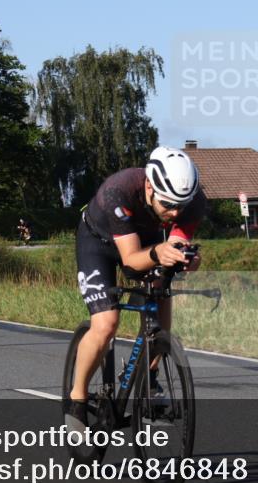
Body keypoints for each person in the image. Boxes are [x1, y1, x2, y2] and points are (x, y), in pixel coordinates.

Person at [67, 146, 206, 428]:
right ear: (148, 187)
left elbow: (176, 243)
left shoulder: (195, 202)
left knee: (161, 292)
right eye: (168, 204)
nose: (175, 212)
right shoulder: (118, 191)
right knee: (106, 323)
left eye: (181, 206)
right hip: (99, 243)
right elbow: (131, 262)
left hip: (144, 239)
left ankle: (150, 377)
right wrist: (158, 253)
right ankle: (77, 399)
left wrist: (184, 259)